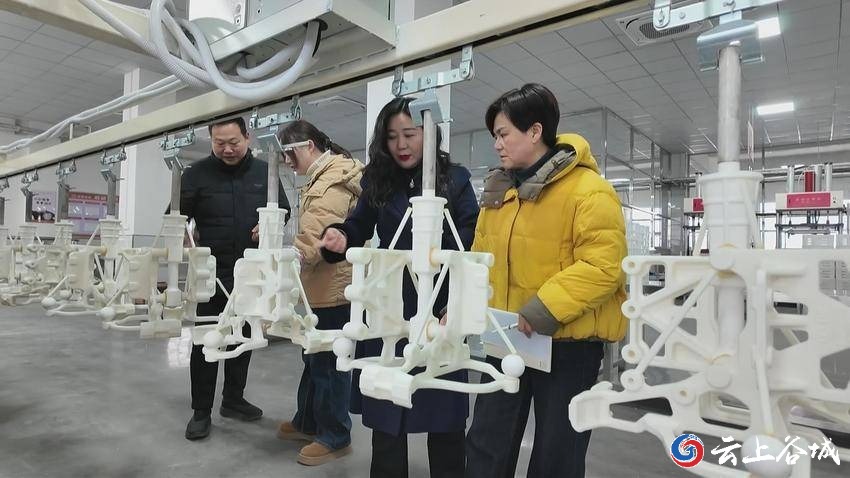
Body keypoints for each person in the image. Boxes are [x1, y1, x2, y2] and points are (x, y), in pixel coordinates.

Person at [464, 83, 628, 478]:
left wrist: (544, 308)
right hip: (507, 337)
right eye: (495, 136)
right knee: (486, 440)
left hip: (568, 346)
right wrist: (459, 305)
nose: (497, 145)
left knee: (558, 452)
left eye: (503, 134)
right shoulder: (499, 195)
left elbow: (604, 265)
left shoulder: (589, 191)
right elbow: (479, 259)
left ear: (535, 131)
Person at [319, 97, 479, 478]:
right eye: (392, 137)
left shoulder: (455, 180)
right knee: (387, 415)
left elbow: (472, 238)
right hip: (389, 310)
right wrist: (341, 236)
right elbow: (358, 224)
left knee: (445, 417)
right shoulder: (379, 181)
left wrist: (454, 302)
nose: (401, 145)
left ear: (430, 133)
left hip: (439, 308)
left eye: (410, 134)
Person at [180, 117, 291, 440]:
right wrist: (185, 242)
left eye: (233, 142)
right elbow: (176, 216)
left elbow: (282, 211)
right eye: (219, 143)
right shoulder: (196, 174)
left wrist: (267, 227)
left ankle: (233, 399)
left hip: (250, 273)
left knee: (244, 338)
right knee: (205, 341)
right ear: (211, 140)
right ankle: (201, 411)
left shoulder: (265, 173)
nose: (227, 149)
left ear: (248, 137)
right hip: (211, 274)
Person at [271, 120, 364, 466]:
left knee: (330, 363)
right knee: (313, 359)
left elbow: (319, 229)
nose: (287, 162)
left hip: (334, 288)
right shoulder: (321, 177)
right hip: (319, 285)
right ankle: (308, 422)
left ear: (308, 145)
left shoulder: (333, 179)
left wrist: (292, 258)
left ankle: (335, 435)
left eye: (289, 153)